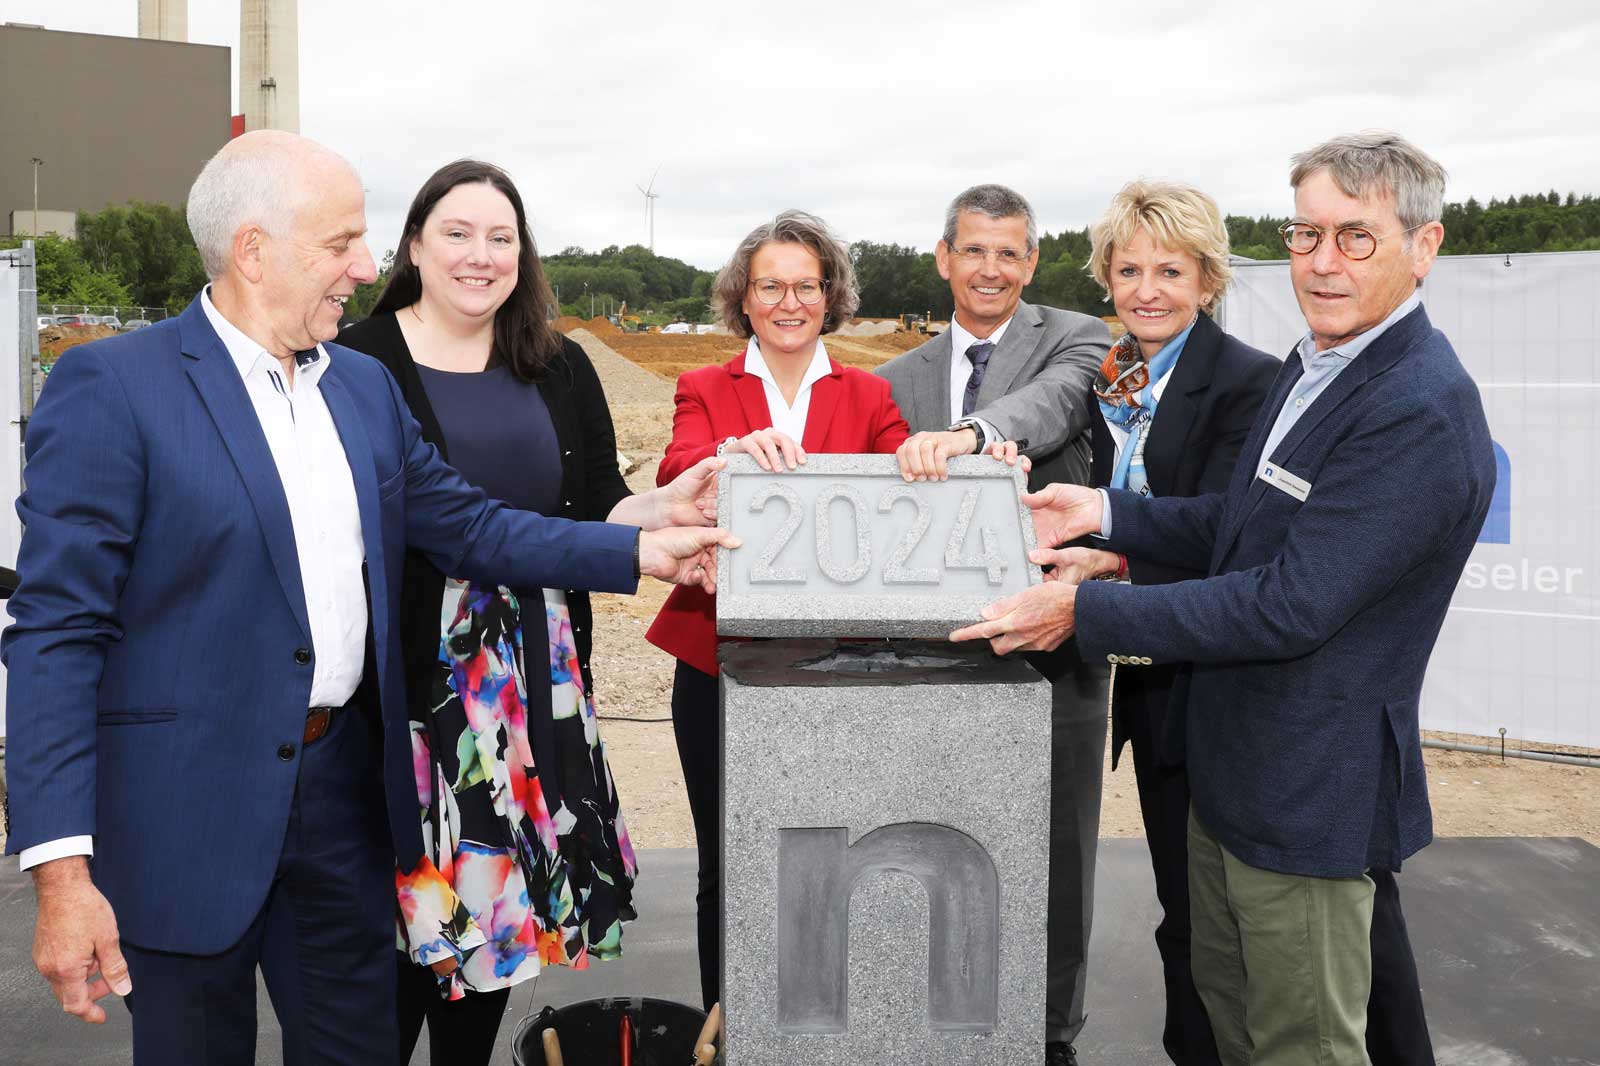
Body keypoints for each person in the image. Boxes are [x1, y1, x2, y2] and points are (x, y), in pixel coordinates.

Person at [1, 131, 734, 1066]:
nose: (363, 263)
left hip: (344, 797)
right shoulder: (114, 385)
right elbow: (58, 632)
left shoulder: (361, 387)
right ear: (253, 250)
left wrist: (642, 546)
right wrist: (61, 872)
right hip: (185, 813)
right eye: (340, 241)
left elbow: (475, 527)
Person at [954, 132, 1496, 1066]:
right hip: (1235, 775)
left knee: (1300, 1043)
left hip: (1304, 797)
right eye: (1305, 233)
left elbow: (1288, 603)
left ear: (1424, 245)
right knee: (1235, 1022)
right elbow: (1240, 523)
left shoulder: (1414, 406)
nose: (1323, 261)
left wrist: (1082, 614)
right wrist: (1110, 514)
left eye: (1355, 237)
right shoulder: (1320, 363)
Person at [337, 159, 718, 1064]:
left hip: (529, 696)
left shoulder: (556, 363)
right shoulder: (357, 362)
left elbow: (592, 508)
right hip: (406, 698)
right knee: (397, 943)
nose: (481, 255)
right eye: (458, 234)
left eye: (500, 237)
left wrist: (659, 512)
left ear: (523, 254)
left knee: (498, 935)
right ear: (415, 247)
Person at [645, 210, 911, 1011]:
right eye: (771, 286)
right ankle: (725, 1031)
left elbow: (909, 483)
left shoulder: (869, 392)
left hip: (835, 669)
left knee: (829, 856)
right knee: (724, 864)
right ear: (744, 298)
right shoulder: (705, 387)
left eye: (806, 285)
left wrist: (973, 452)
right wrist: (733, 453)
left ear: (829, 297)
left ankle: (819, 1023)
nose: (789, 302)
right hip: (716, 661)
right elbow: (680, 463)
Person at [876, 183, 1108, 1066]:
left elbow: (1052, 408)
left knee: (1056, 856)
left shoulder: (1080, 339)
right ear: (944, 258)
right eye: (974, 250)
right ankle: (931, 1012)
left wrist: (968, 436)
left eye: (1010, 252)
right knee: (933, 839)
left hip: (1055, 648)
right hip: (931, 655)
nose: (991, 269)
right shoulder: (893, 379)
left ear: (1033, 263)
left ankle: (1050, 1032)